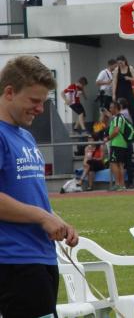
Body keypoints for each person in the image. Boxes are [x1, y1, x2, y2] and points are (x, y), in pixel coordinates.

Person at [0, 56, 79, 318]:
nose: (40, 109)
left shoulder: (25, 136)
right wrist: (42, 217)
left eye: (43, 101)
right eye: (34, 101)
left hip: (40, 256)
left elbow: (28, 195)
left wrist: (57, 220)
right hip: (13, 260)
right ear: (9, 92)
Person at [107, 100, 133, 191]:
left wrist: (108, 138)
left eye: (111, 107)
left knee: (114, 163)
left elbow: (116, 130)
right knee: (120, 165)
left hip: (116, 144)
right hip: (122, 144)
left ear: (115, 108)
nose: (110, 109)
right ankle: (122, 185)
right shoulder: (121, 117)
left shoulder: (117, 118)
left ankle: (118, 184)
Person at [111, 55, 134, 126]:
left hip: (128, 90)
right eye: (118, 63)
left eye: (121, 63)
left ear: (124, 61)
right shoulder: (117, 69)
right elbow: (114, 82)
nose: (120, 64)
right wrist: (113, 94)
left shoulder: (130, 68)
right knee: (119, 107)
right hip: (119, 90)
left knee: (132, 108)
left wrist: (129, 78)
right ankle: (118, 124)